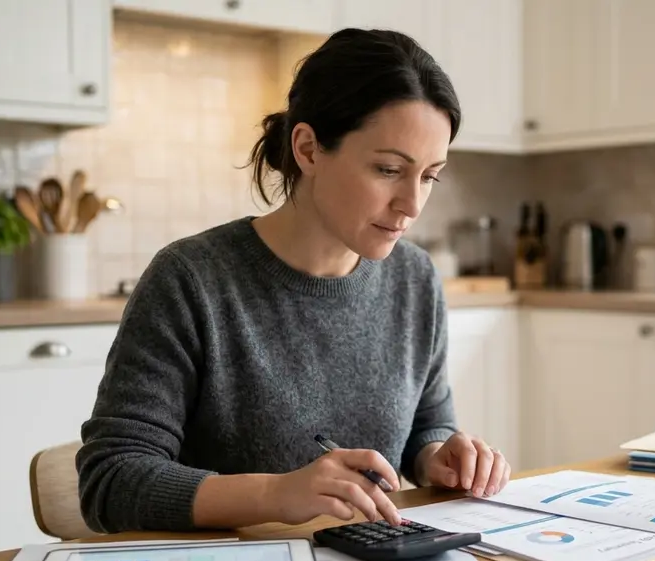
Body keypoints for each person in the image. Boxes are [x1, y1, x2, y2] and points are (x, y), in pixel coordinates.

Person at [76, 28, 513, 534]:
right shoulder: (190, 280)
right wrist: (276, 493)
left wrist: (439, 456)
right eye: (389, 169)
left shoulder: (414, 278)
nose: (412, 205)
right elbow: (109, 481)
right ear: (307, 149)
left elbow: (424, 427)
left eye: (430, 176)